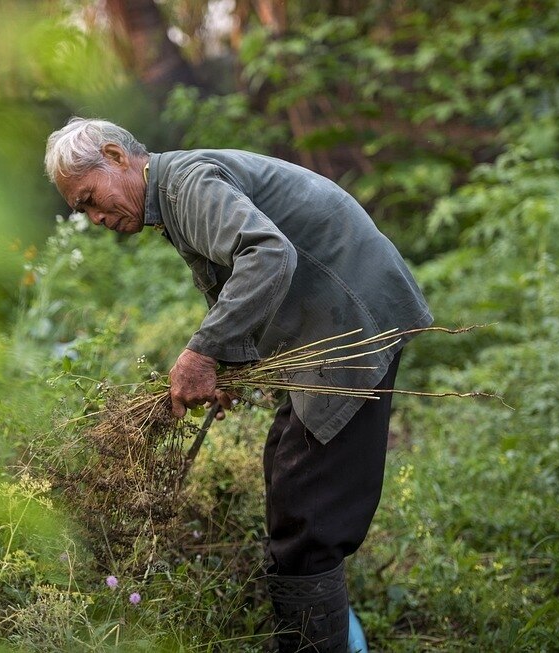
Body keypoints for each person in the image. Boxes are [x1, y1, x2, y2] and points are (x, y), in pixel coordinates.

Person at [44, 117, 432, 653]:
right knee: (285, 470)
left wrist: (202, 352)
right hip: (333, 323)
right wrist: (229, 362)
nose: (93, 217)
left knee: (307, 510)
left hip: (349, 322)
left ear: (115, 155)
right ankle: (323, 634)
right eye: (81, 210)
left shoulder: (186, 185)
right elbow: (240, 277)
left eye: (89, 198)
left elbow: (268, 254)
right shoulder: (173, 195)